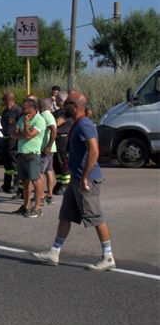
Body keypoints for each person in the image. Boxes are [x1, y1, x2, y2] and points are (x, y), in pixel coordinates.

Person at [32, 91, 116, 271]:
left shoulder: (84, 124)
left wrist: (85, 177)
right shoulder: (78, 123)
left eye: (67, 103)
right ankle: (54, 252)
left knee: (95, 217)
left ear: (76, 106)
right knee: (66, 215)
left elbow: (94, 150)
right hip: (76, 179)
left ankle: (108, 256)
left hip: (87, 181)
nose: (64, 106)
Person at [11, 98, 46, 217]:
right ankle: (26, 206)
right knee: (25, 182)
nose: (24, 110)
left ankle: (37, 207)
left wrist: (25, 126)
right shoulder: (22, 118)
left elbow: (30, 135)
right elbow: (14, 134)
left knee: (35, 181)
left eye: (26, 108)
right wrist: (23, 133)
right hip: (22, 153)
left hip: (32, 154)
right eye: (23, 108)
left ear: (33, 107)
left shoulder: (39, 120)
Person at [0, 91, 22, 194]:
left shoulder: (18, 111)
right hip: (5, 138)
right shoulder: (5, 111)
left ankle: (16, 184)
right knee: (7, 163)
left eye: (4, 99)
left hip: (14, 140)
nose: (2, 101)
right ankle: (6, 184)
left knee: (14, 162)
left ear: (8, 100)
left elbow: (21, 125)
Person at [38, 98, 58, 205]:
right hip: (50, 148)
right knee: (49, 171)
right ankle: (49, 195)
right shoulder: (49, 114)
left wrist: (48, 146)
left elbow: (54, 129)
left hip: (46, 148)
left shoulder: (45, 115)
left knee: (39, 172)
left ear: (41, 106)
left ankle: (40, 196)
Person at [52, 91, 72, 195]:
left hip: (63, 138)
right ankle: (59, 183)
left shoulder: (67, 112)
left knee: (63, 161)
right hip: (56, 138)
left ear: (63, 100)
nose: (56, 100)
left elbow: (57, 123)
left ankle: (66, 185)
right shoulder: (58, 111)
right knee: (56, 161)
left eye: (58, 99)